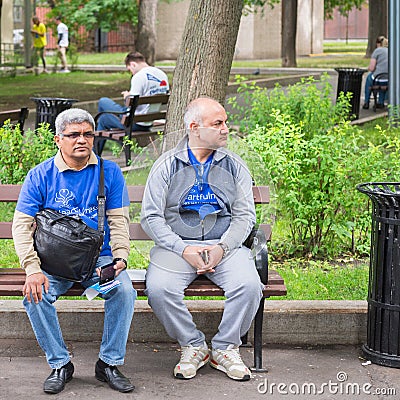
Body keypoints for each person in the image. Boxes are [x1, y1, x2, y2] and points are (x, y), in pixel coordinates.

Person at [12, 108, 136, 395]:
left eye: (87, 134)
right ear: (58, 139)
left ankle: (108, 363)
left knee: (124, 291)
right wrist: (32, 269)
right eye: (73, 135)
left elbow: (118, 220)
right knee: (35, 295)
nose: (82, 140)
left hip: (98, 260)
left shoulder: (110, 171)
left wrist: (120, 257)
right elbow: (21, 226)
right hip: (54, 262)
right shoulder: (40, 175)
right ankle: (60, 364)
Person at [141, 97, 264, 382]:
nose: (226, 129)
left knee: (248, 285)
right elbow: (150, 217)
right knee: (159, 288)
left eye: (225, 122)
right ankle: (194, 346)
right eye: (217, 123)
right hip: (177, 247)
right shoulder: (166, 165)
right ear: (194, 128)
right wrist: (183, 249)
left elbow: (244, 216)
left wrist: (223, 247)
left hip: (225, 246)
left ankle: (225, 348)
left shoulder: (235, 166)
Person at [96, 51, 169, 153]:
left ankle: (95, 155)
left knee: (103, 105)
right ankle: (120, 145)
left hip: (135, 123)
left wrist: (127, 96)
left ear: (133, 64)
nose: (131, 73)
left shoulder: (139, 77)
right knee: (104, 116)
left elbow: (131, 104)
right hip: (149, 122)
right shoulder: (162, 75)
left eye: (130, 70)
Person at [363, 36, 388, 110]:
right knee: (383, 82)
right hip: (388, 79)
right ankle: (381, 102)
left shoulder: (377, 51)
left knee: (369, 78)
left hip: (378, 78)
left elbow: (372, 68)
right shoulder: (391, 51)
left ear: (378, 44)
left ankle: (366, 102)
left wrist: (368, 68)